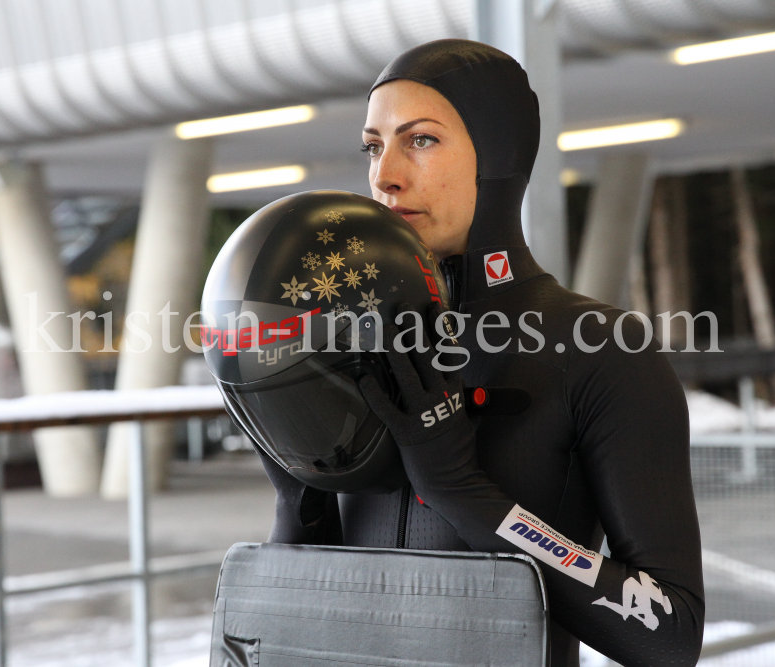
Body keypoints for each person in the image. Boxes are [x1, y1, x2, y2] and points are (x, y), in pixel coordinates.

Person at [254, 39, 704, 667]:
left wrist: (462, 492)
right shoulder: (357, 340)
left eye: (421, 140)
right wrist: (298, 499)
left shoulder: (602, 348)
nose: (384, 174)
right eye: (374, 145)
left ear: (497, 158)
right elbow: (303, 620)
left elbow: (670, 633)